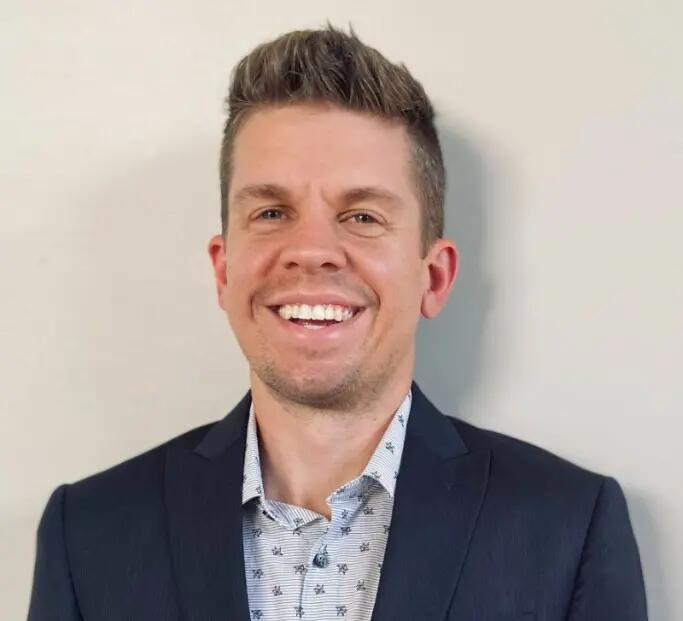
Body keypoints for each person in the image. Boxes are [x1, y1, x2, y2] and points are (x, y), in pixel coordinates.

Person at [27, 25, 648, 621]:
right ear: (223, 270)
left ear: (433, 277)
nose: (311, 251)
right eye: (272, 212)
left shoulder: (569, 526)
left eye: (362, 216)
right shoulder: (87, 533)